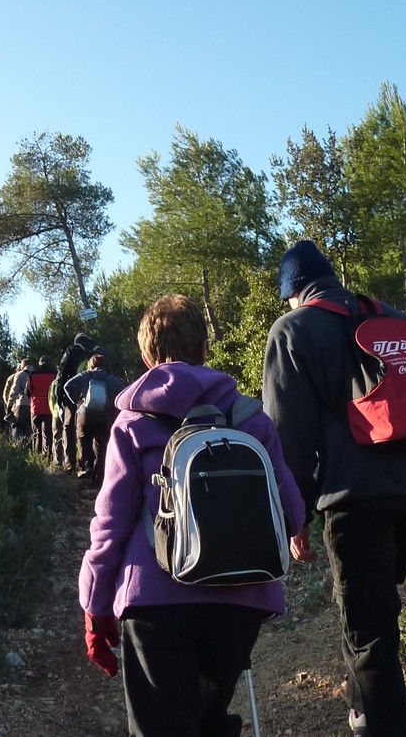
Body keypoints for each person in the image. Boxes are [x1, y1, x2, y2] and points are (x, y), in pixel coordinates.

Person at [80, 294, 306, 737]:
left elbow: (110, 525)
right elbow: (293, 516)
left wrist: (95, 605)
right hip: (239, 603)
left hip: (154, 601)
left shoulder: (131, 423)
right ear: (204, 348)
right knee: (209, 720)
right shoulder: (250, 418)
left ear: (147, 358)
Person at [262, 240, 406, 737]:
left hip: (359, 493)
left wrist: (294, 514)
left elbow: (288, 437)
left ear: (293, 293)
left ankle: (380, 724)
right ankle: (362, 709)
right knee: (372, 603)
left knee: (368, 625)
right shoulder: (392, 317)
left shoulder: (292, 330)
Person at [63, 352, 125, 486]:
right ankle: (99, 475)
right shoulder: (110, 379)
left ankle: (86, 466)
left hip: (85, 414)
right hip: (103, 415)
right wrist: (114, 407)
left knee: (83, 438)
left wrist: (78, 401)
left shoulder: (85, 375)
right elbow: (123, 390)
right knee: (101, 444)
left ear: (91, 365)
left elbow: (67, 386)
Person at [54, 332, 94, 472]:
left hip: (73, 395)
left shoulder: (72, 350)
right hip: (94, 396)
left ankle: (70, 463)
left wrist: (59, 396)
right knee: (90, 428)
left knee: (69, 426)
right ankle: (89, 463)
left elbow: (62, 373)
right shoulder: (97, 350)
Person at [27, 356, 57, 460]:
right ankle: (47, 456)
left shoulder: (32, 374)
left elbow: (27, 392)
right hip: (49, 407)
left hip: (35, 407)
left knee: (36, 432)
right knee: (47, 433)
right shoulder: (54, 374)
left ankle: (36, 455)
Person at [6, 358, 34, 447]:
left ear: (22, 367)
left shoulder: (19, 375)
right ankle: (29, 449)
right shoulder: (36, 374)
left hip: (21, 405)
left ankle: (18, 449)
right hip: (33, 406)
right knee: (29, 430)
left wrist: (9, 406)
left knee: (17, 427)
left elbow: (14, 392)